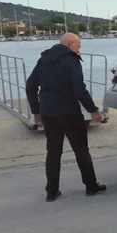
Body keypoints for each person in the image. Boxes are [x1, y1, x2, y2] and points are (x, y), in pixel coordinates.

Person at [25, 33, 108, 201]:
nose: (79, 50)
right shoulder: (71, 60)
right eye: (78, 46)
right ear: (70, 43)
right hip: (69, 112)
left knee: (53, 152)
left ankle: (51, 191)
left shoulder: (43, 60)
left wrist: (36, 110)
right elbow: (79, 89)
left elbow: (30, 86)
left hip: (48, 113)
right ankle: (91, 186)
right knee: (81, 150)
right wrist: (93, 110)